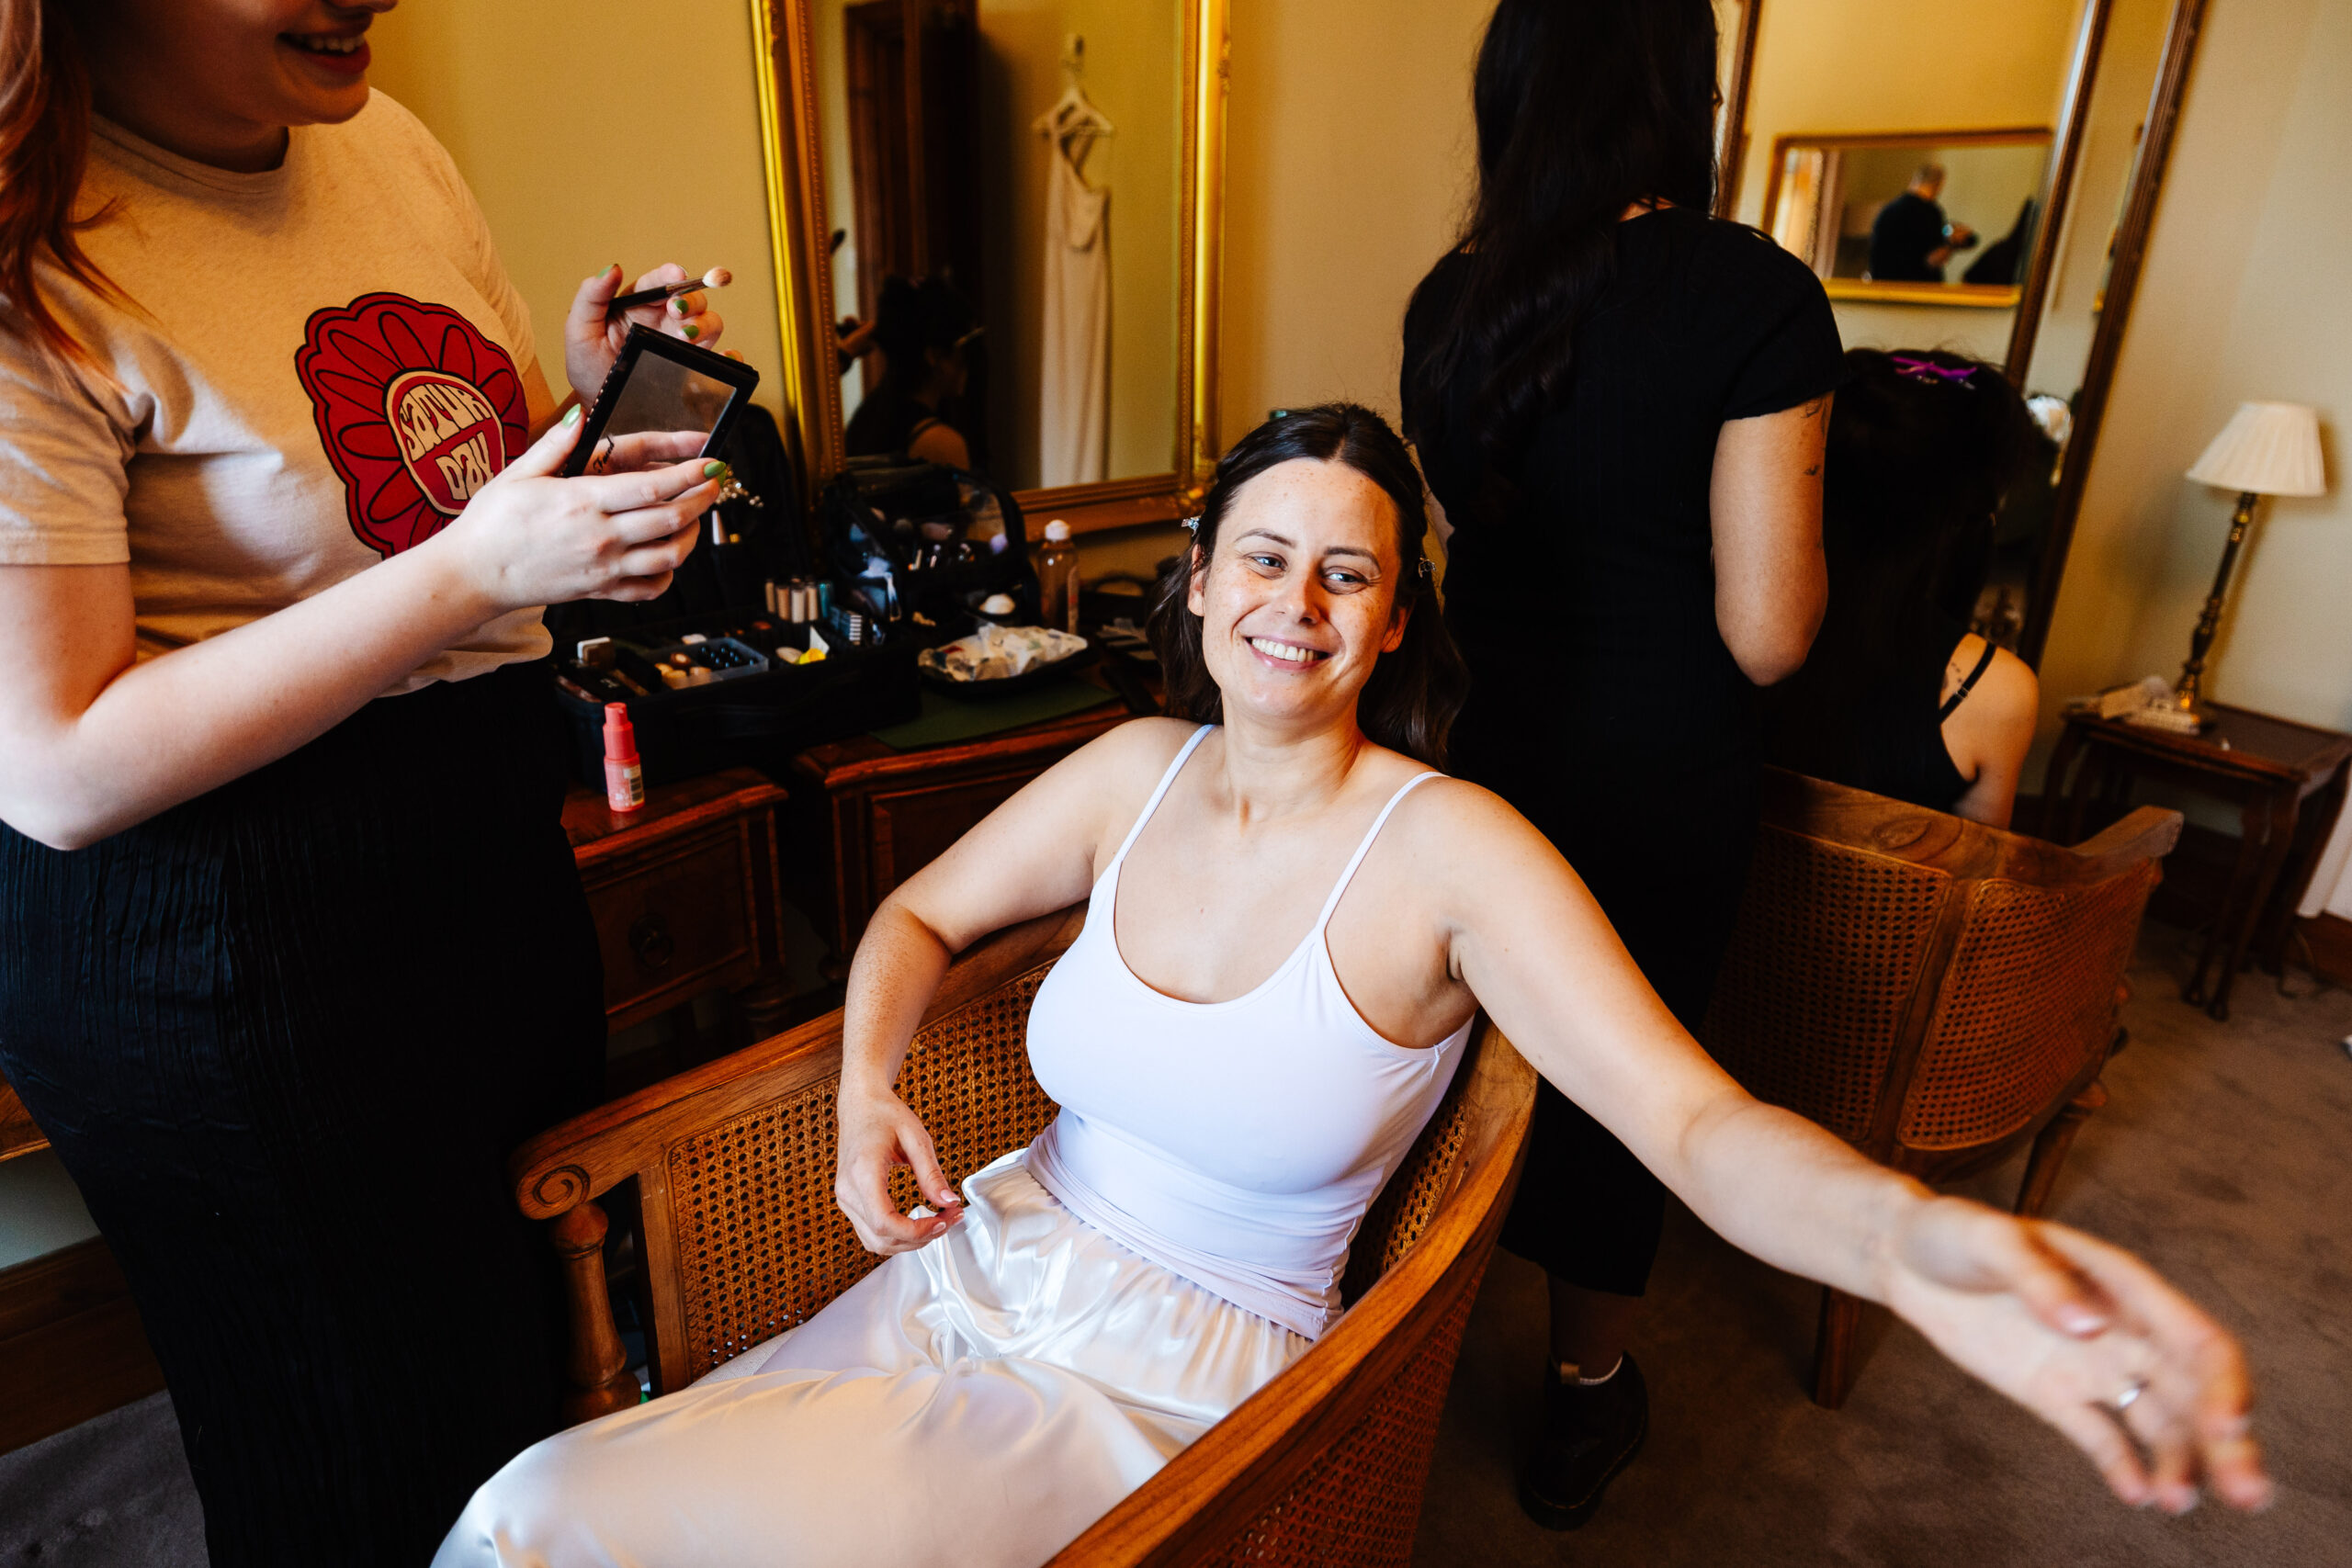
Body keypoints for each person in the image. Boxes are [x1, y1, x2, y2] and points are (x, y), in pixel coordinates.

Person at [438, 404, 2268, 1568]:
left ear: (1392, 617)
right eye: (1260, 553)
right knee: (548, 1508)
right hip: (965, 1273)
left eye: (1345, 571)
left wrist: (1913, 1244)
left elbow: (1690, 1122)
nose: (1291, 600)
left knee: (548, 1525)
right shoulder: (1122, 768)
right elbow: (907, 922)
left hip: (1161, 1395)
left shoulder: (1452, 850)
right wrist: (860, 1097)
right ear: (1200, 579)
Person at [0, 1, 726, 1560]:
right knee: (362, 1455)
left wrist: (585, 422)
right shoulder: (31, 247)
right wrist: (478, 570)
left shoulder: (379, 138)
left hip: (472, 852)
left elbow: (428, 515)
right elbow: (50, 763)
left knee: (529, 1393)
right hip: (221, 941)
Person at [1398, 0, 1837, 1529]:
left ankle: (1390, 1340)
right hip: (1657, 761)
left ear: (1515, 88)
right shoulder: (1755, 295)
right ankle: (1584, 1391)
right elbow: (1771, 630)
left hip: (1471, 749)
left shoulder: (1449, 301)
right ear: (1685, 97)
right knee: (1620, 1075)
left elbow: (1465, 542)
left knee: (1442, 1045)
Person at [1771, 349, 2041, 826]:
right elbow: (1971, 883)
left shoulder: (1726, 621)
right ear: (1973, 515)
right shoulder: (1996, 692)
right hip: (1882, 904)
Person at [842, 272, 982, 470]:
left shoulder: (867, 421)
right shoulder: (940, 444)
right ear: (935, 356)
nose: (970, 359)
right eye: (965, 346)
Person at [1869, 164, 1976, 283]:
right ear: (1939, 185)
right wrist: (1953, 242)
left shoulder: (1888, 210)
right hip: (1916, 290)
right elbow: (1932, 260)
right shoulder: (1930, 212)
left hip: (1883, 289)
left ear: (1914, 179)